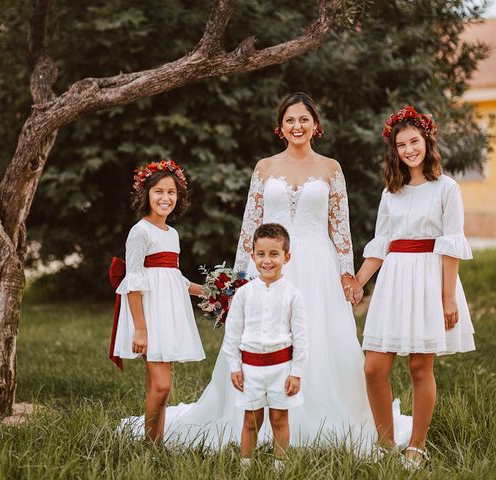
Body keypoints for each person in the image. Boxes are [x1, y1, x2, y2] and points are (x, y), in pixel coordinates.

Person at [146, 92, 411, 452]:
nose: (297, 126)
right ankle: (252, 421)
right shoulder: (265, 168)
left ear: (315, 125)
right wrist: (239, 277)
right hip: (267, 266)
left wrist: (347, 273)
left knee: (318, 340)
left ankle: (316, 417)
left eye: (304, 119)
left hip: (318, 266)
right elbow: (250, 226)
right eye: (290, 120)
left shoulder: (331, 168)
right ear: (280, 127)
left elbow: (340, 228)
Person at [355, 106, 475, 468]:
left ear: (427, 141)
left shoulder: (446, 188)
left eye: (414, 141)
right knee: (374, 367)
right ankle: (386, 441)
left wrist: (448, 298)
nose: (409, 150)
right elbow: (381, 244)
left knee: (420, 368)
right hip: (394, 280)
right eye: (401, 144)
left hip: (429, 279)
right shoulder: (391, 192)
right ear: (394, 150)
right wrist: (357, 284)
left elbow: (451, 244)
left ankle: (417, 446)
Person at [111, 159, 206, 444]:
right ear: (146, 194)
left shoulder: (172, 234)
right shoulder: (140, 232)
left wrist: (211, 292)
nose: (166, 198)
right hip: (148, 317)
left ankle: (155, 441)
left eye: (171, 193)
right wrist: (140, 329)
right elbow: (134, 282)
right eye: (159, 192)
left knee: (157, 385)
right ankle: (151, 446)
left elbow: (174, 278)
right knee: (163, 386)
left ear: (179, 197)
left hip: (167, 314)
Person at [222, 223, 308, 468]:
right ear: (253, 257)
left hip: (281, 368)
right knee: (251, 420)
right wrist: (234, 366)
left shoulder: (293, 295)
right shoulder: (244, 294)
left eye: (274, 254)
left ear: (286, 257)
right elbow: (233, 333)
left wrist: (296, 372)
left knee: (280, 419)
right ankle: (245, 466)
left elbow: (301, 338)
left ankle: (280, 467)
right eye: (261, 254)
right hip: (250, 370)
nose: (267, 261)